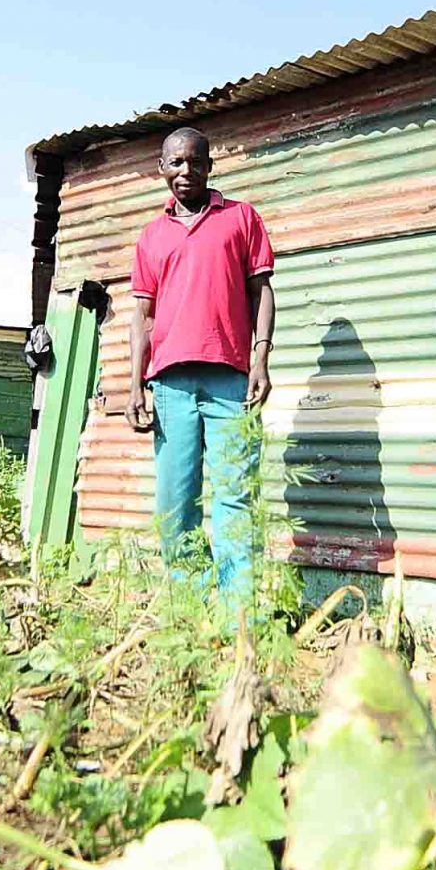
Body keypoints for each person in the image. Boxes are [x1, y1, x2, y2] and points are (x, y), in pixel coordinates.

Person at [126, 126, 275, 617]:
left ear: (210, 165)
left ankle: (240, 619)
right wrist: (134, 386)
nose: (185, 170)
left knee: (235, 497)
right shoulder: (151, 236)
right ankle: (191, 611)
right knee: (175, 504)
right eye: (175, 163)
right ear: (162, 169)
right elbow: (143, 317)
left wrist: (261, 358)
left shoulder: (241, 219)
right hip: (169, 385)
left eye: (195, 161)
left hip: (231, 380)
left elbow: (262, 293)